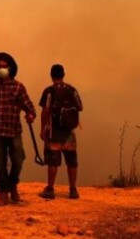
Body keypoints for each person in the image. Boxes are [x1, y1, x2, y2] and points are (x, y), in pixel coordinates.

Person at [0, 52, 36, 206]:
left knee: (18, 159)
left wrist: (30, 114)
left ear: (10, 68)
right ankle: (3, 193)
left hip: (14, 130)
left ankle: (13, 184)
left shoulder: (18, 87)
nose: (1, 69)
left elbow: (29, 107)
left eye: (3, 66)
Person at [38, 64, 83, 200]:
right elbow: (80, 107)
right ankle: (73, 190)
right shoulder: (72, 90)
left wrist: (42, 129)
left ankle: (50, 189)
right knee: (72, 162)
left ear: (51, 75)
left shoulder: (49, 91)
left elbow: (45, 112)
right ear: (63, 74)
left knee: (53, 162)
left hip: (54, 131)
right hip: (69, 132)